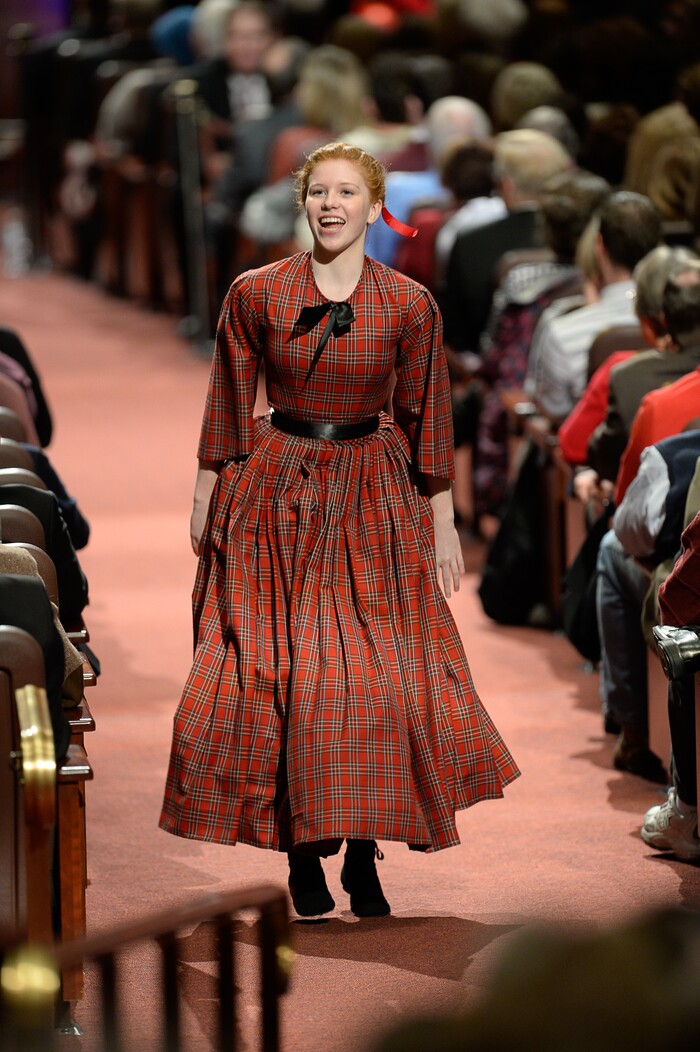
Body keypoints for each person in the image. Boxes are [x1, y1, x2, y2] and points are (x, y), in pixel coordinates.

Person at [160, 141, 519, 919]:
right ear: (302, 202)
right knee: (288, 673)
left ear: (374, 205)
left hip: (375, 492)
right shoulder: (257, 292)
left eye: (346, 193)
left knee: (380, 676)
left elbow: (429, 418)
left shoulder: (409, 303)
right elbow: (228, 396)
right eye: (318, 191)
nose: (330, 205)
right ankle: (301, 852)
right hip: (277, 490)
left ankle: (361, 851)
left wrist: (446, 521)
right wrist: (203, 494)